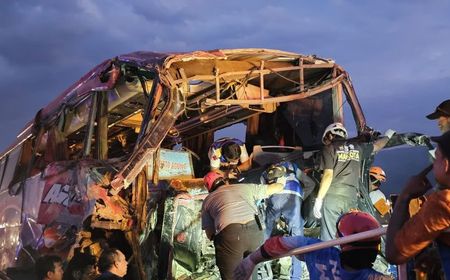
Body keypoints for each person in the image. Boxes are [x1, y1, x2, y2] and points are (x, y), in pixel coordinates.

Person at [233, 210, 391, 280]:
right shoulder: (373, 276)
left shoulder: (318, 250)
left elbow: (277, 244)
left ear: (340, 238)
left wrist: (252, 260)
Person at [313, 122, 395, 241]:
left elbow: (328, 175)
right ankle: (347, 257)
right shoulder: (357, 148)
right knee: (348, 232)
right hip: (351, 197)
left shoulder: (329, 149)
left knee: (330, 238)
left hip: (333, 197)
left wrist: (319, 199)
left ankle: (331, 259)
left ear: (330, 136)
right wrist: (387, 136)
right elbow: (377, 146)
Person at [386, 130, 450, 278]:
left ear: (446, 165)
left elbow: (395, 254)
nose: (433, 163)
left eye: (437, 158)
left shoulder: (443, 202)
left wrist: (404, 196)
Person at [201, 171, 285, 280]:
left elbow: (210, 233)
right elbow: (276, 187)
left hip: (231, 236)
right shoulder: (244, 187)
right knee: (252, 269)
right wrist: (281, 179)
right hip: (255, 232)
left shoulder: (208, 200)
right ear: (224, 181)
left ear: (209, 189)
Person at [260, 161, 315, 280]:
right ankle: (296, 276)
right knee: (297, 240)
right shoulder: (293, 167)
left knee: (265, 235)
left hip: (274, 198)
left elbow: (263, 193)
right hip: (293, 198)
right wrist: (300, 197)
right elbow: (310, 184)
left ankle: (263, 273)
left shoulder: (265, 173)